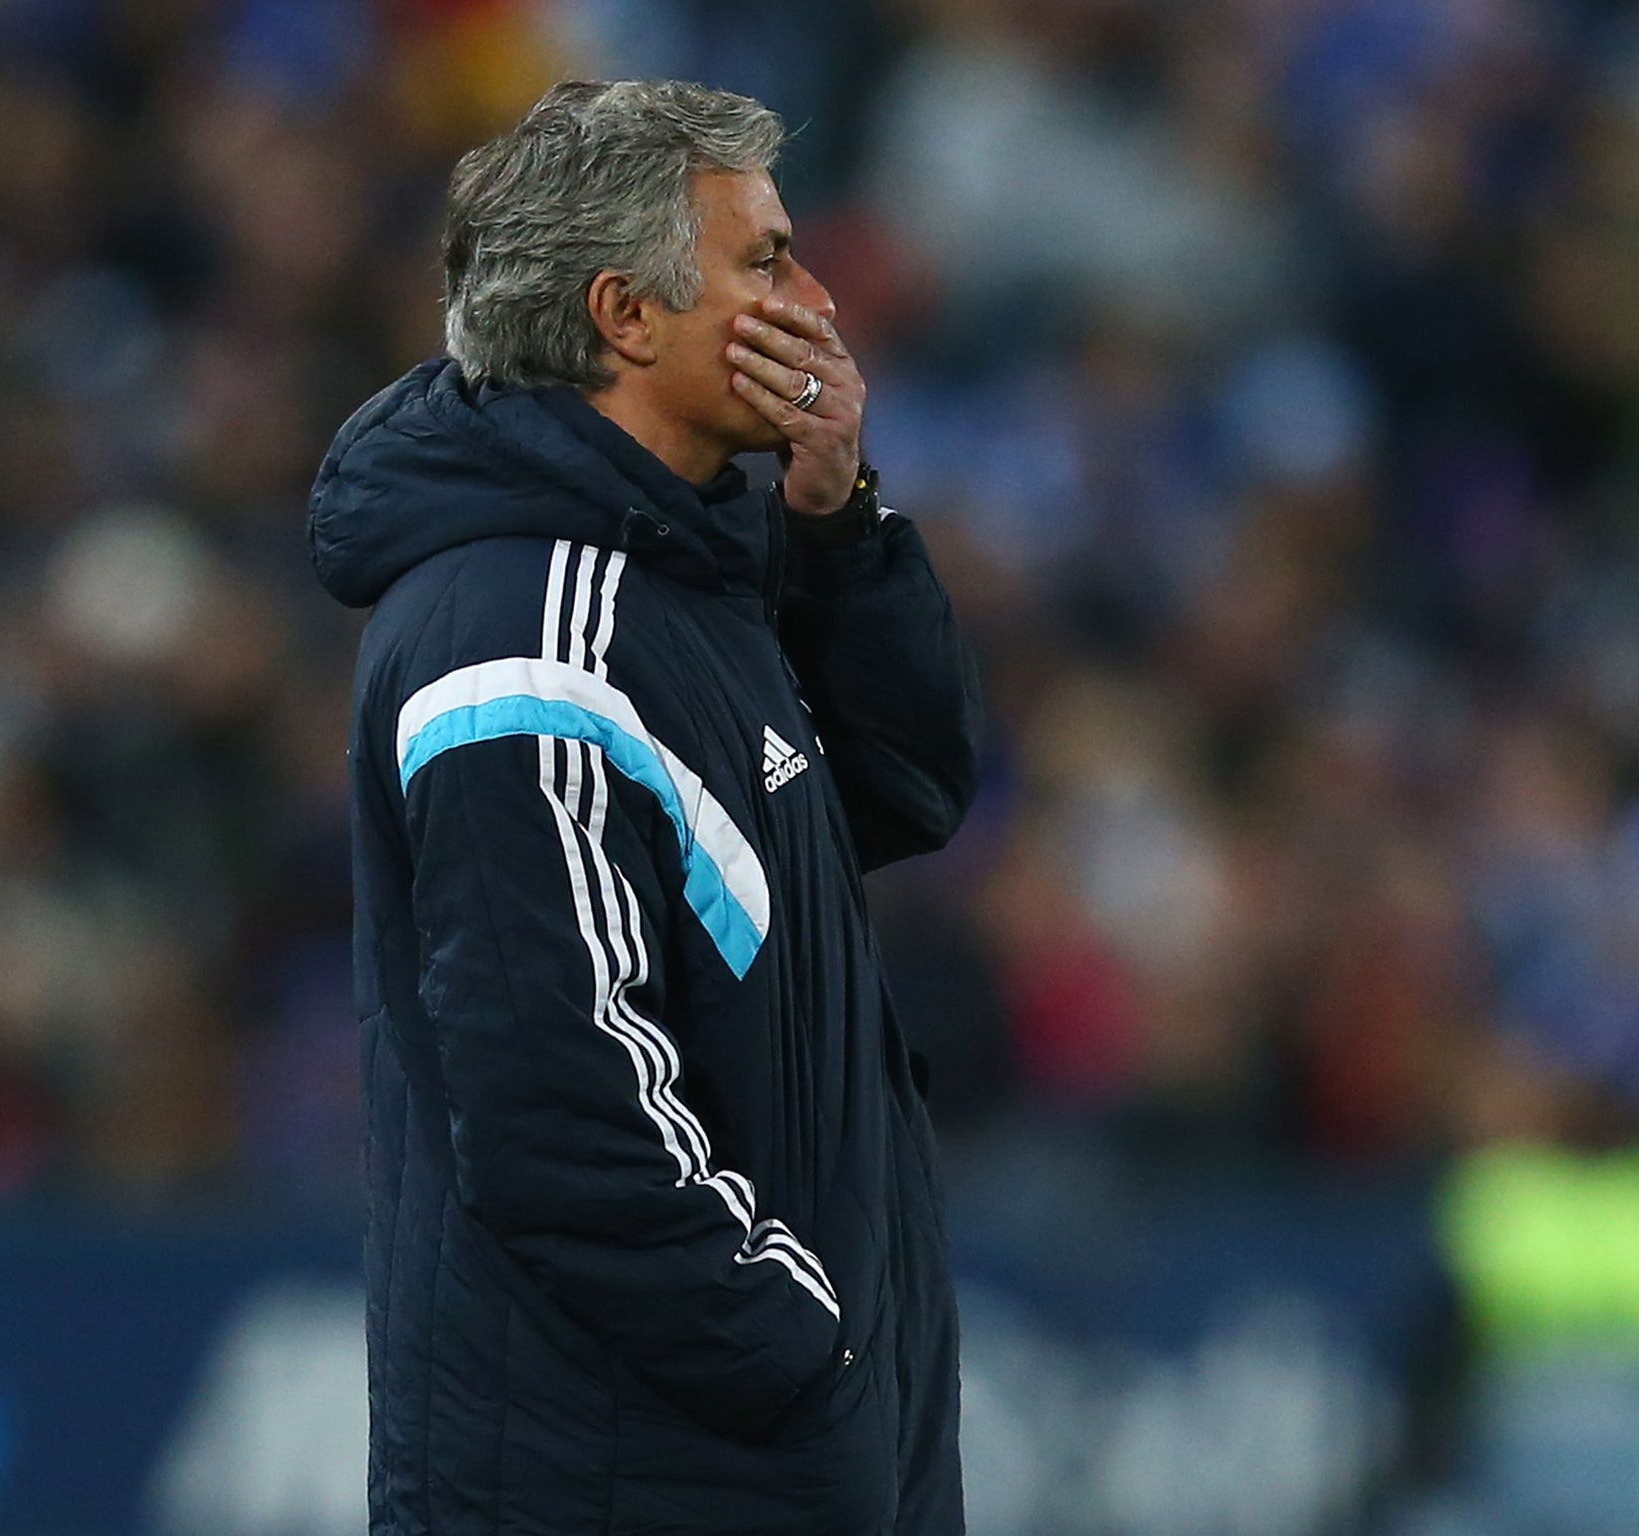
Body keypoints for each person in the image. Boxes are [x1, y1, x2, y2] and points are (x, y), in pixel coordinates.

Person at [308, 79, 981, 1535]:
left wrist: (837, 519)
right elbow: (568, 1118)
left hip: (735, 1460)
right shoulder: (527, 637)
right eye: (765, 261)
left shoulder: (684, 563)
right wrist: (815, 1359)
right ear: (625, 314)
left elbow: (909, 794)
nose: (815, 297)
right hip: (632, 1477)